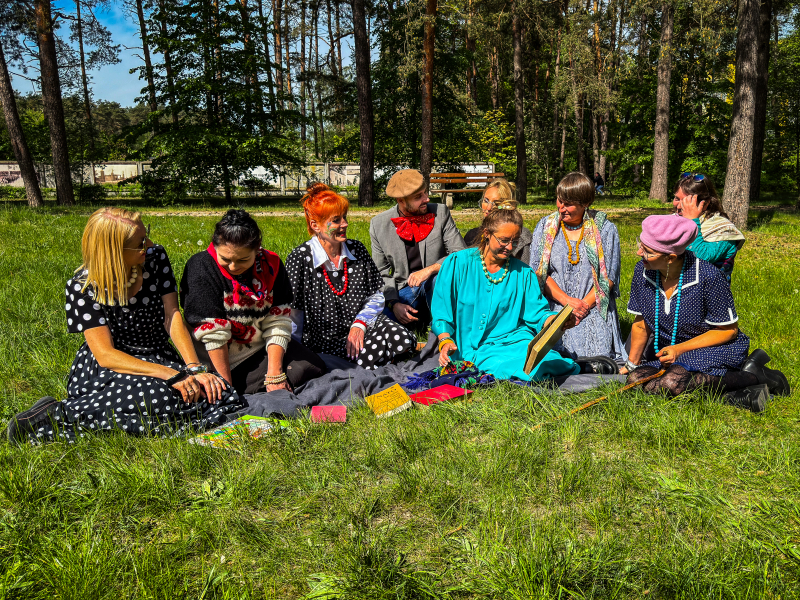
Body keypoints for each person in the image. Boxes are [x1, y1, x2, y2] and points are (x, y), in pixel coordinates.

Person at [7, 208, 246, 444]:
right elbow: (106, 355)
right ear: (113, 251)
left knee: (217, 393)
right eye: (140, 242)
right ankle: (52, 414)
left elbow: (172, 315)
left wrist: (193, 368)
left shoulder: (156, 258)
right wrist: (172, 375)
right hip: (113, 366)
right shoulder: (82, 288)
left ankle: (106, 414)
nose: (149, 243)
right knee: (161, 395)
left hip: (156, 354)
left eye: (146, 234)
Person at [622, 214, 789, 412]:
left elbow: (728, 331)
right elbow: (641, 323)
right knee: (635, 380)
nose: (639, 252)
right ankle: (731, 395)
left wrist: (680, 349)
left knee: (672, 382)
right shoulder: (643, 271)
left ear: (671, 258)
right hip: (669, 349)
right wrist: (631, 365)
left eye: (647, 251)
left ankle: (756, 376)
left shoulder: (708, 276)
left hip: (713, 346)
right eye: (641, 245)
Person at [180, 209, 326, 397]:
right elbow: (213, 335)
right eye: (225, 259)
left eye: (242, 260)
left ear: (257, 250)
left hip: (259, 350)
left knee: (313, 365)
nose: (233, 267)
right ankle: (241, 387)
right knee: (295, 374)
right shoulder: (200, 267)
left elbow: (277, 321)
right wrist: (227, 390)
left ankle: (264, 385)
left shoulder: (271, 265)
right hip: (219, 359)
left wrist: (274, 373)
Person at [431, 201, 581, 381]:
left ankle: (563, 366)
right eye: (504, 240)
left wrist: (556, 321)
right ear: (487, 234)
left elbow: (538, 313)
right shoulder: (457, 264)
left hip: (515, 341)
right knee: (506, 365)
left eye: (515, 241)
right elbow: (441, 312)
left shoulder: (523, 274)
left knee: (541, 360)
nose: (510, 247)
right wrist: (445, 339)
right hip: (470, 348)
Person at [286, 183, 416, 369]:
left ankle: (373, 362)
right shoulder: (300, 258)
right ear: (315, 225)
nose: (345, 224)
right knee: (356, 359)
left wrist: (360, 325)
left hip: (362, 328)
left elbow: (375, 296)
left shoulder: (357, 249)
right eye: (336, 220)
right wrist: (293, 351)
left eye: (344, 217)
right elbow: (293, 313)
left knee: (402, 338)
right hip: (323, 339)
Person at [530, 172, 625, 369]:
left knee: (597, 350)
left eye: (568, 204)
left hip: (593, 303)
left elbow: (608, 278)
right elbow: (540, 273)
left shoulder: (606, 229)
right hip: (556, 301)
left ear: (585, 203)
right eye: (559, 201)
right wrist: (566, 302)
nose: (561, 208)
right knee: (553, 345)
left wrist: (581, 307)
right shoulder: (545, 226)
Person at [370, 169, 466, 326]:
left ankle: (442, 331)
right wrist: (394, 304)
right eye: (418, 197)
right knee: (379, 324)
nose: (426, 199)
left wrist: (431, 269)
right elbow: (379, 273)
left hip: (438, 287)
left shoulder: (440, 213)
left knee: (436, 278)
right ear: (401, 200)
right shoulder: (378, 224)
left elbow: (461, 253)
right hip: (405, 293)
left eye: (425, 192)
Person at [672, 172, 744, 281]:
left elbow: (700, 257)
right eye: (677, 199)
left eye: (688, 201)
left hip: (710, 294)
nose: (679, 206)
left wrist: (691, 222)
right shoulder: (673, 220)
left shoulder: (723, 230)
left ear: (705, 204)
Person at [463, 178, 533, 264]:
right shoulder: (471, 236)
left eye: (496, 203)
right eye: (486, 201)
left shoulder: (522, 237)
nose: (488, 208)